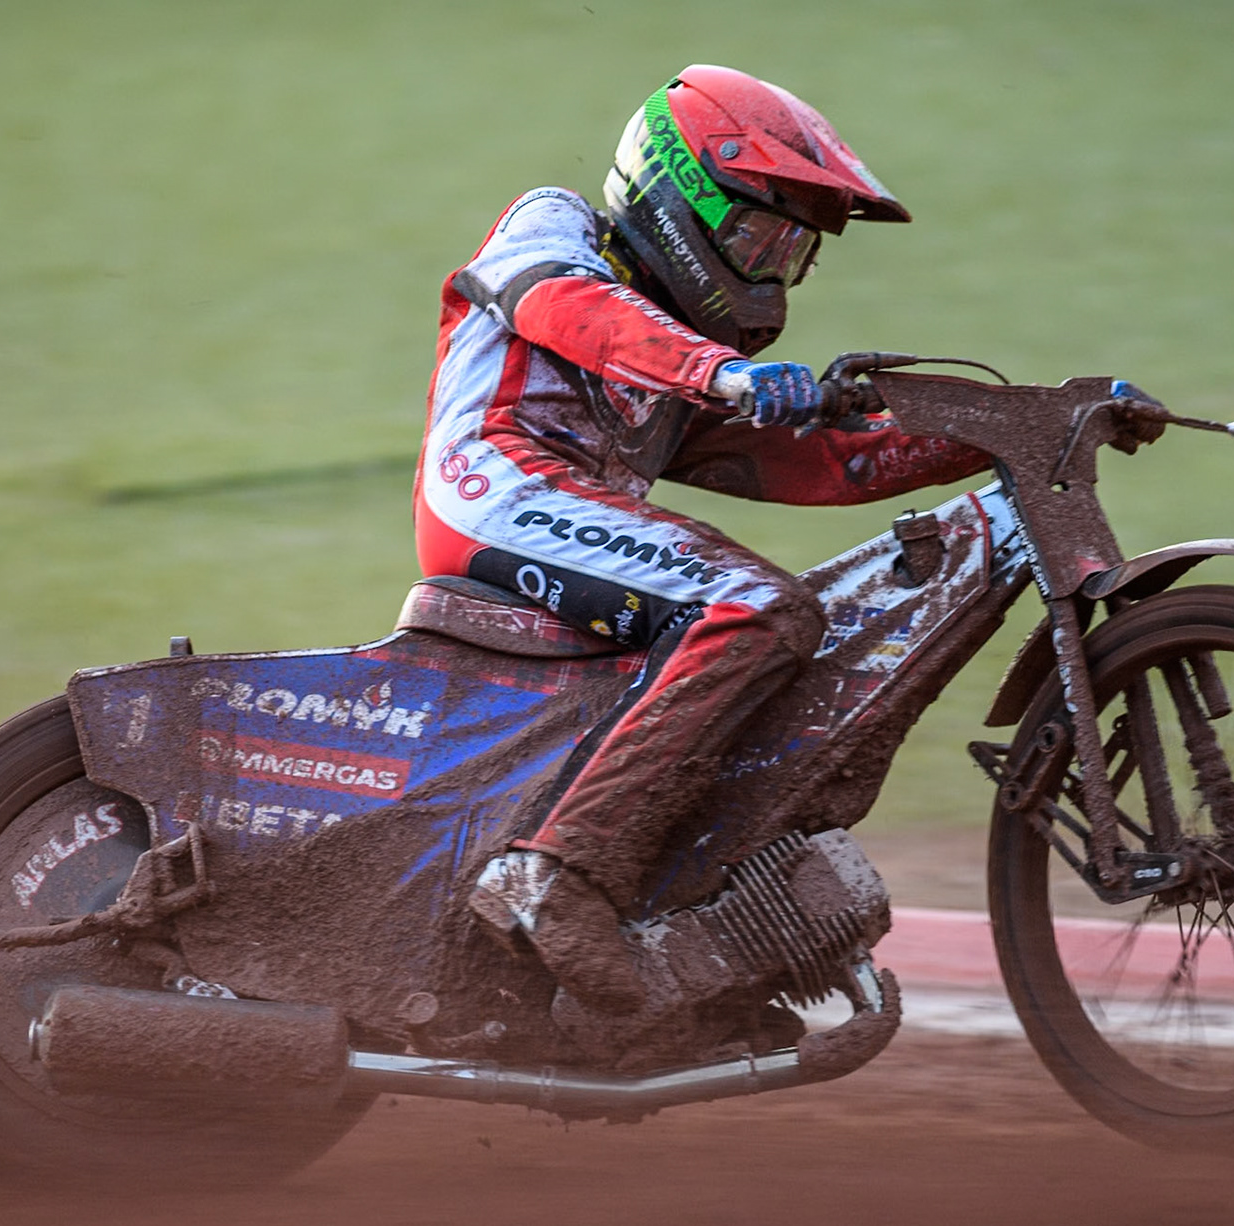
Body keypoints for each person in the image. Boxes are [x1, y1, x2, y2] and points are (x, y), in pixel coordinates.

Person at [416, 66, 991, 1015]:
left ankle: (685, 904)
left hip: (567, 510)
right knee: (756, 606)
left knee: (776, 633)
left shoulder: (680, 355)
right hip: (494, 486)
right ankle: (552, 880)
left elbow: (822, 466)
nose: (769, 268)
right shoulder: (556, 227)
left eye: (790, 251)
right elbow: (563, 304)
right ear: (678, 196)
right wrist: (718, 372)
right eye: (754, 236)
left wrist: (1008, 428)